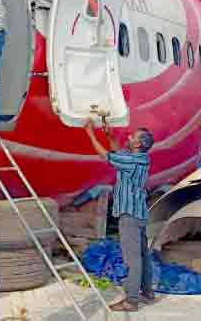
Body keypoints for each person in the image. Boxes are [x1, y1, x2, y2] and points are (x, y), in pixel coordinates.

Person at [83, 118, 155, 312]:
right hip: (139, 214)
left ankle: (131, 300)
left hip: (129, 215)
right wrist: (109, 135)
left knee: (132, 259)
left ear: (138, 144)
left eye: (133, 137)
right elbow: (118, 154)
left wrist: (90, 133)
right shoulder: (141, 158)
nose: (129, 137)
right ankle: (147, 293)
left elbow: (106, 156)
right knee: (143, 255)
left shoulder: (131, 161)